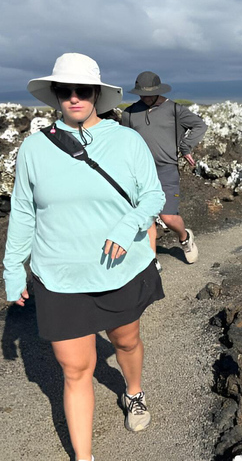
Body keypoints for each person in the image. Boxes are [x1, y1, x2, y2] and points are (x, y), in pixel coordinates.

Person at [4, 53, 166, 461]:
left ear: (97, 93)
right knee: (76, 370)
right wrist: (12, 270)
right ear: (55, 95)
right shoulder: (34, 149)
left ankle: (133, 391)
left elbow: (152, 196)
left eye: (83, 90)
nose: (74, 98)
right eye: (65, 90)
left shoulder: (126, 141)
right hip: (58, 277)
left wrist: (123, 227)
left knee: (126, 342)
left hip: (119, 270)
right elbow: (24, 211)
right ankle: (85, 457)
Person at [121, 71, 206, 267]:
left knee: (168, 217)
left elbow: (199, 126)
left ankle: (185, 238)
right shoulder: (129, 113)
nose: (145, 97)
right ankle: (152, 262)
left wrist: (185, 147)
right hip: (139, 173)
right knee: (146, 217)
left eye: (150, 93)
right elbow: (124, 140)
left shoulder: (175, 110)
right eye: (141, 93)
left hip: (167, 169)